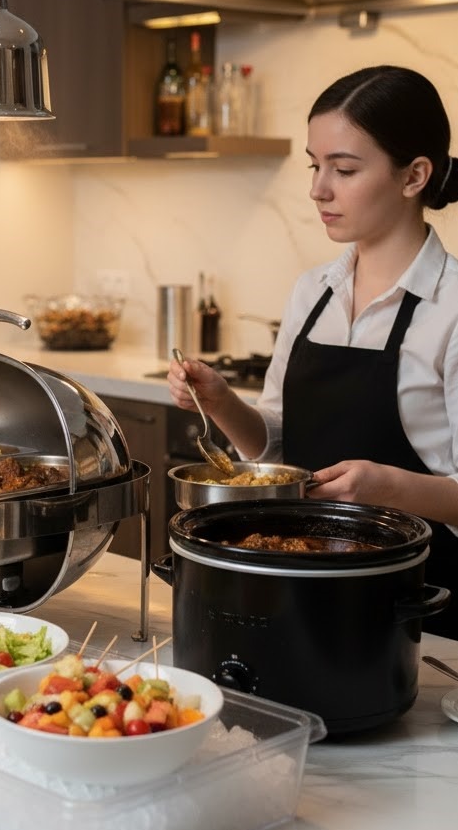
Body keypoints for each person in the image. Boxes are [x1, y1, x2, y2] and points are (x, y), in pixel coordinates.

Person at [168, 65, 458, 639]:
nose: (317, 189)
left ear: (414, 176)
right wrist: (223, 402)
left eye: (344, 169)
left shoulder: (451, 309)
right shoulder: (313, 292)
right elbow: (278, 448)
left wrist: (388, 489)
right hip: (298, 584)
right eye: (314, 164)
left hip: (418, 609)